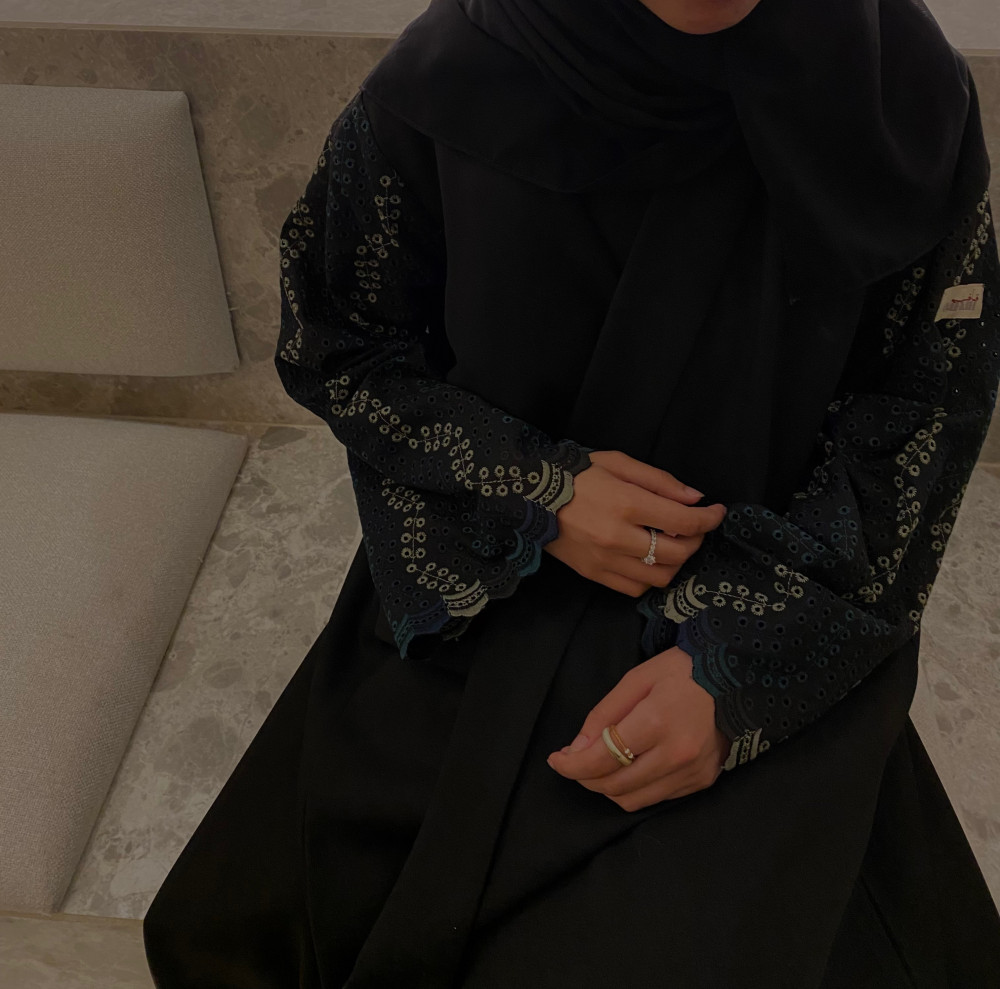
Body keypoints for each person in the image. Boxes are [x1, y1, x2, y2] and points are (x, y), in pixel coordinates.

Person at [142, 0, 1000, 985]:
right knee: (234, 931)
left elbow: (925, 411)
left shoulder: (901, 95)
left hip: (779, 580)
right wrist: (533, 488)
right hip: (492, 572)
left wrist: (742, 671)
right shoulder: (459, 66)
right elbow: (338, 340)